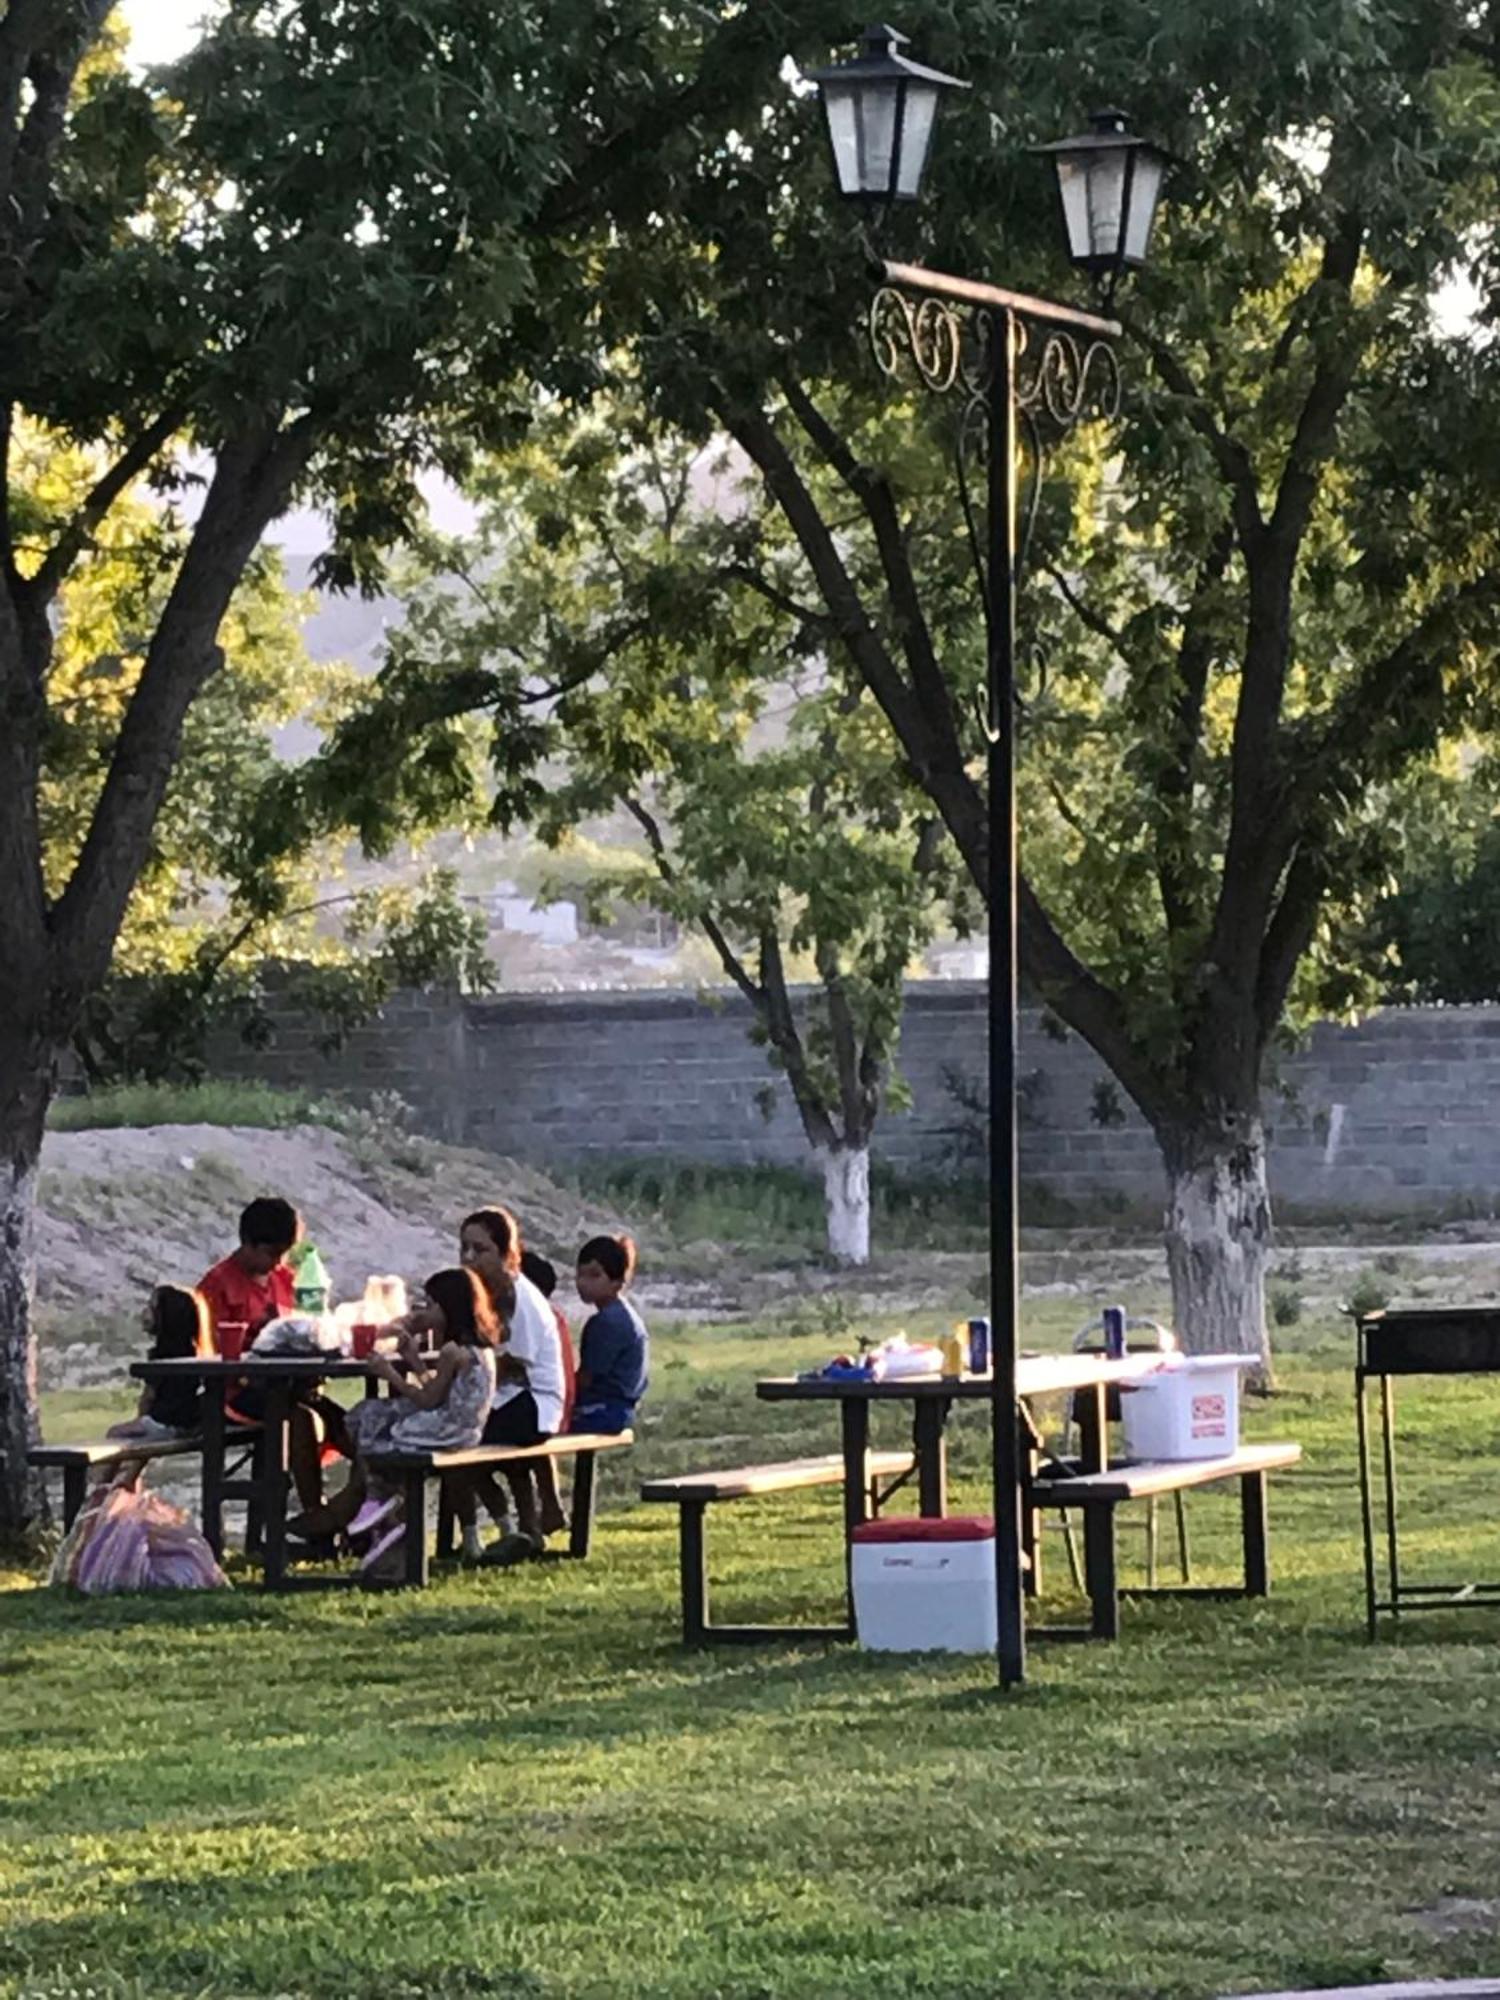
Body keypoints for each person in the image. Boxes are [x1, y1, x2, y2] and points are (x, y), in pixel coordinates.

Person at [315, 1267, 501, 1572]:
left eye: (430, 1305)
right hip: (464, 1428)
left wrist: (389, 1374)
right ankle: (376, 1505)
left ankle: (381, 1500)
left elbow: (428, 1400)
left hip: (447, 1430)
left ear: (447, 1308)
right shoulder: (477, 1348)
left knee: (383, 1430)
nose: (424, 1312)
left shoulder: (452, 1351)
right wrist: (414, 1360)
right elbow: (437, 1391)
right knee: (372, 1413)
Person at [198, 1196, 352, 1522]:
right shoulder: (218, 1286)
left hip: (289, 1384)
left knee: (349, 1426)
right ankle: (315, 1514)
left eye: (283, 1254)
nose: (277, 1262)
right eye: (271, 1253)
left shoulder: (285, 1279)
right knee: (302, 1421)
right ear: (248, 1243)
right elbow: (208, 1353)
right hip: (235, 1393)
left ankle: (367, 1506)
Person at [455, 1206, 566, 1561]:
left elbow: (512, 1365)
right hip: (505, 1398)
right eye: (464, 1249)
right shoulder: (482, 1292)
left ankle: (488, 1533)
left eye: (481, 1250)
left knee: (452, 1435)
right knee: (454, 1431)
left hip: (533, 1404)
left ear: (506, 1254)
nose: (470, 1258)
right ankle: (511, 1529)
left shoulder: (521, 1297)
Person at [106, 1285, 211, 1441]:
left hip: (163, 1422)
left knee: (114, 1433)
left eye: (151, 1307)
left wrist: (140, 1420)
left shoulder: (161, 1356)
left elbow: (149, 1396)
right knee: (140, 1440)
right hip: (189, 1424)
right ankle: (132, 1466)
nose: (145, 1312)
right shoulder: (193, 1351)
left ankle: (101, 1466)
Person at [571, 1234, 648, 1434]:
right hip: (619, 1410)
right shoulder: (622, 1314)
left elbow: (586, 1379)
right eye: (580, 1274)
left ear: (617, 1281)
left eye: (595, 1275)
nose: (583, 1283)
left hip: (606, 1410)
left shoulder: (607, 1322)